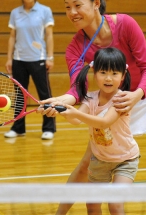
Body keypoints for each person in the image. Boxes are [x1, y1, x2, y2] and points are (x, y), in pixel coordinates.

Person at [40, 0, 146, 215]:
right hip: (117, 100)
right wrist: (61, 102)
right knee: (87, 162)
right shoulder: (75, 47)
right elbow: (77, 89)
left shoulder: (125, 24)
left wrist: (137, 95)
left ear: (96, 3)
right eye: (67, 7)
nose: (72, 12)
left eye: (77, 5)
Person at [59, 47, 139, 215]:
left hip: (125, 160)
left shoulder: (122, 99)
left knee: (115, 204)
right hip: (99, 160)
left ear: (123, 76)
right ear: (94, 74)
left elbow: (104, 122)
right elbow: (76, 119)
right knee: (92, 205)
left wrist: (74, 112)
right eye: (103, 72)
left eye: (114, 74)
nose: (108, 78)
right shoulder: (91, 98)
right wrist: (63, 111)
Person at [4, 0, 56, 140]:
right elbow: (12, 37)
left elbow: (49, 35)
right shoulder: (15, 13)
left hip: (39, 59)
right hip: (19, 60)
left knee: (44, 95)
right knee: (20, 95)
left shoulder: (44, 11)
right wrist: (9, 58)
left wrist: (50, 57)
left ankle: (49, 128)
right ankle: (18, 128)